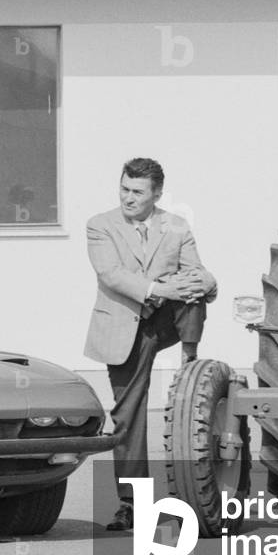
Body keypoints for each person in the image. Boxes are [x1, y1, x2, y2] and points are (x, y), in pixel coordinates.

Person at [84, 157, 217, 531]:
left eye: (138, 192)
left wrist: (202, 283)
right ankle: (132, 504)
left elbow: (196, 270)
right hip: (125, 325)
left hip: (166, 319)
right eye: (124, 189)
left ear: (157, 194)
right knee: (129, 416)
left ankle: (189, 362)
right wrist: (161, 287)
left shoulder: (175, 226)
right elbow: (111, 275)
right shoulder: (100, 225)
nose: (129, 198)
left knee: (193, 291)